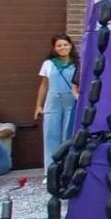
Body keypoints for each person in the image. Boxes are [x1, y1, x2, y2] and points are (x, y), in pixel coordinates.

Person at [35, 34, 79, 167]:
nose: (63, 47)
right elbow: (44, 85)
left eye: (65, 44)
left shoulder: (78, 63)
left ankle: (67, 168)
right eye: (59, 45)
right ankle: (50, 170)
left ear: (70, 46)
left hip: (71, 102)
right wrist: (38, 105)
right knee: (51, 136)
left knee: (69, 135)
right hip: (53, 102)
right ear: (54, 48)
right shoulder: (48, 64)